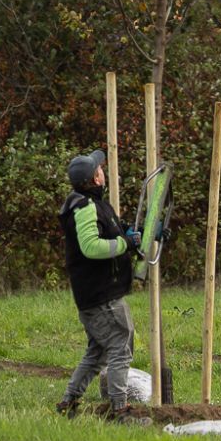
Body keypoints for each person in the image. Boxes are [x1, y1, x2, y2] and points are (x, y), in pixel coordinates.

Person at [55, 149, 142, 419]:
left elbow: (111, 230)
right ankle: (120, 408)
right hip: (102, 296)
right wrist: (124, 244)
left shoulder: (94, 204)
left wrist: (136, 234)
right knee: (120, 346)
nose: (103, 170)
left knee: (97, 353)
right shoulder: (84, 207)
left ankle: (68, 402)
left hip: (95, 295)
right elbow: (91, 247)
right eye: (99, 169)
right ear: (95, 179)